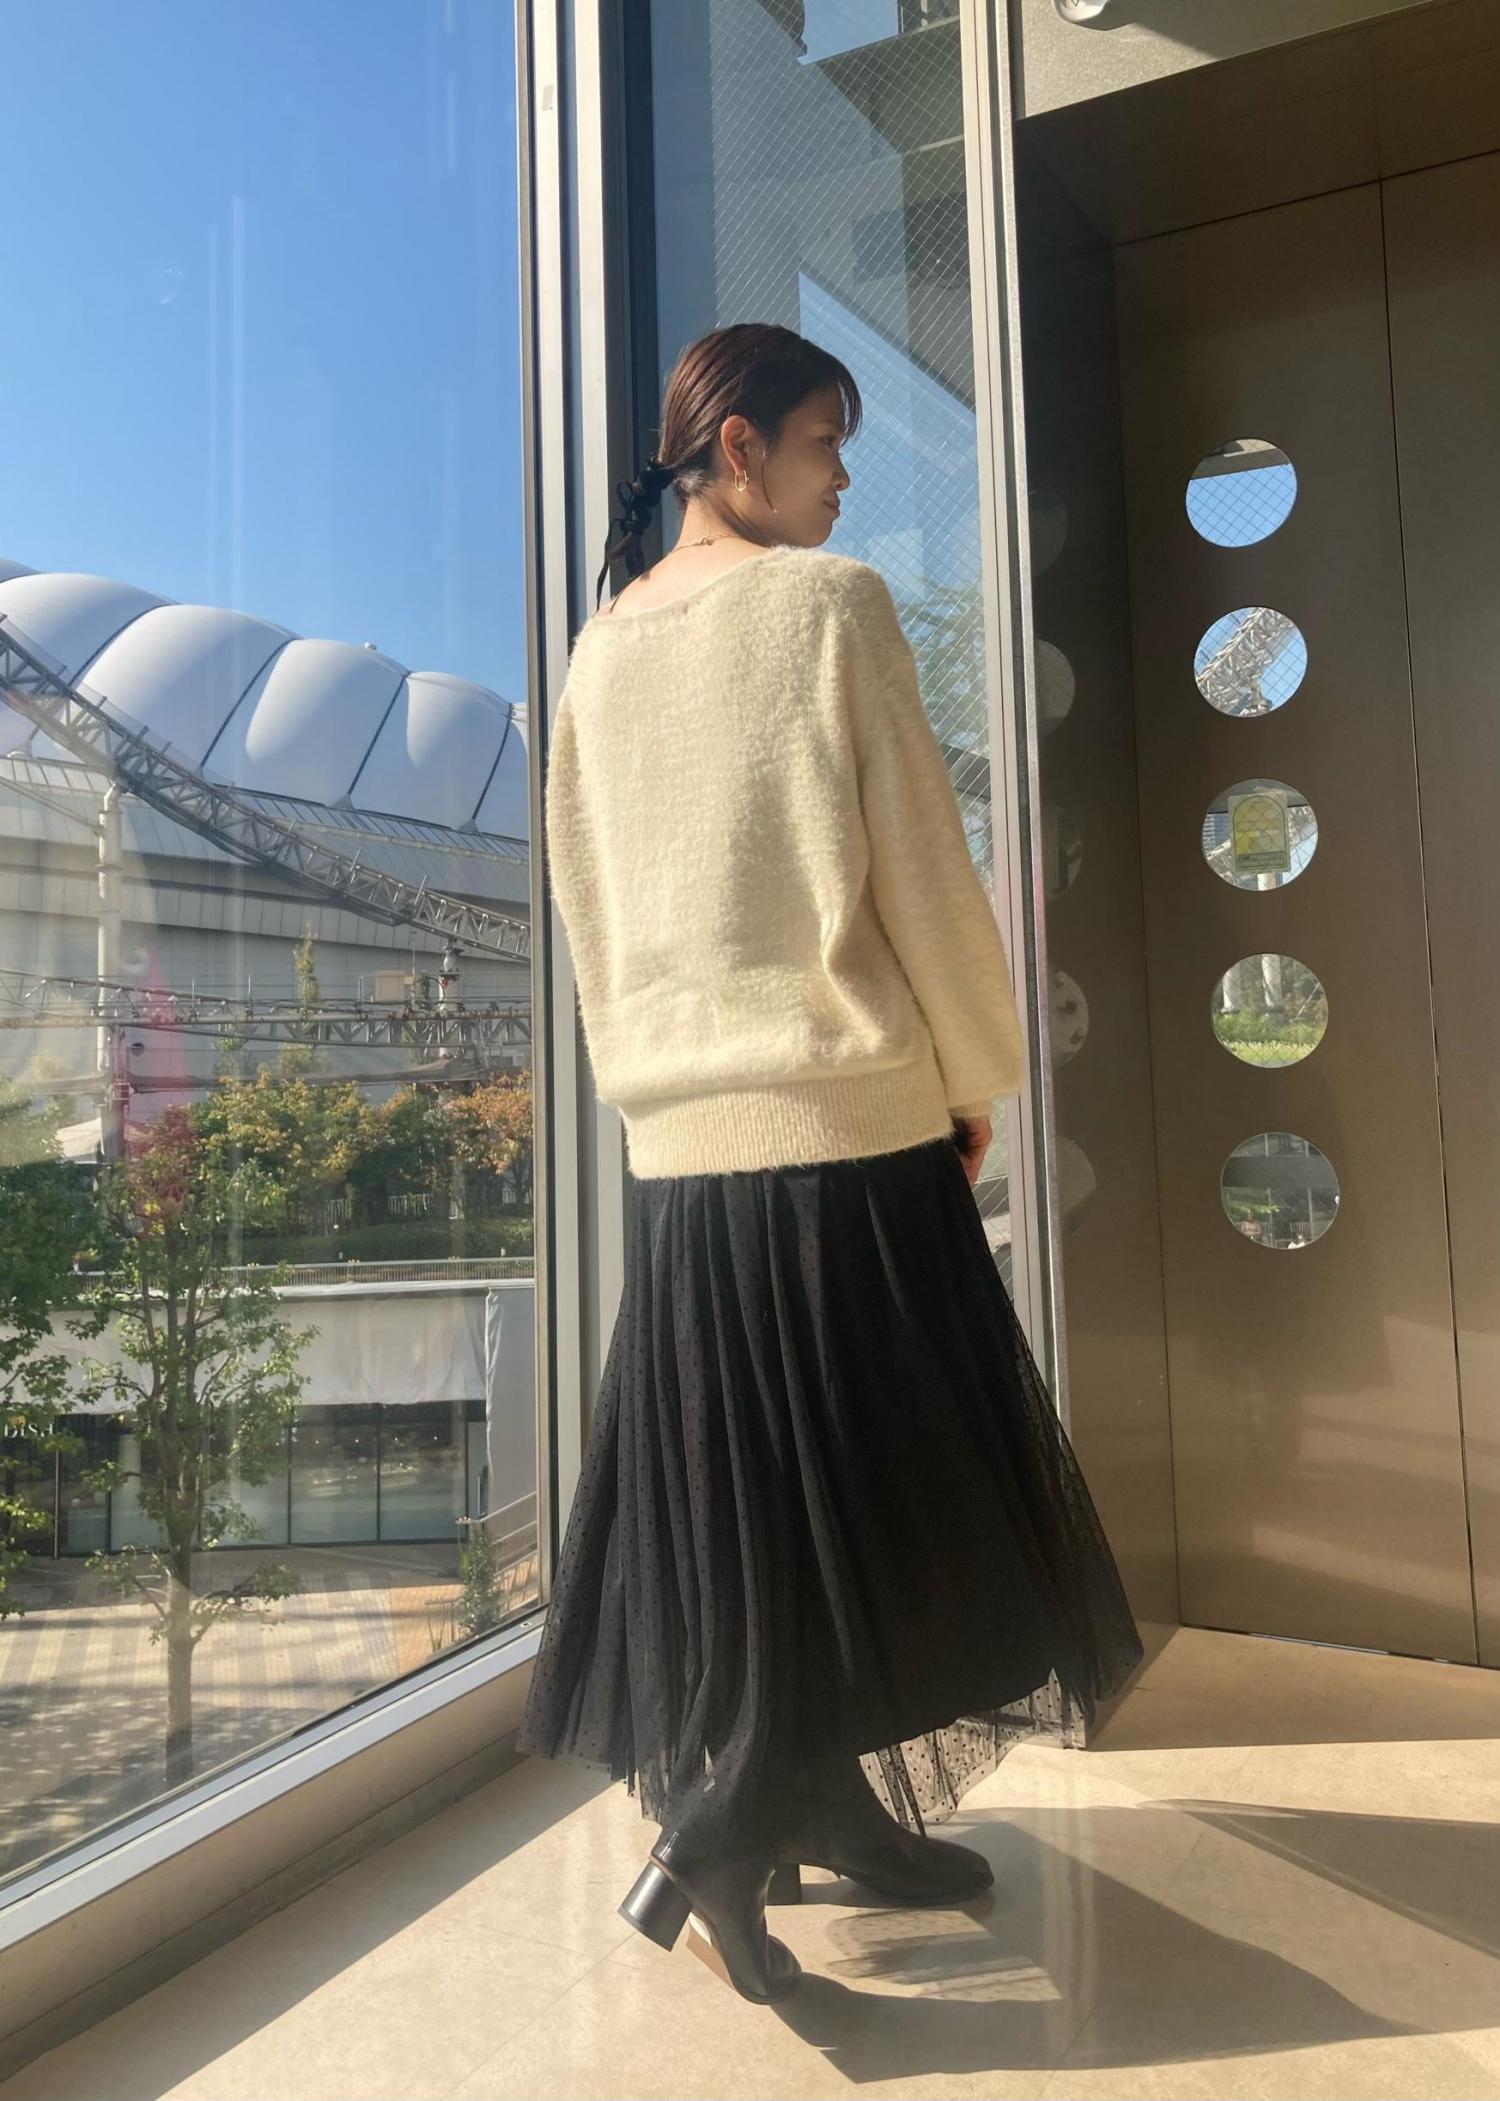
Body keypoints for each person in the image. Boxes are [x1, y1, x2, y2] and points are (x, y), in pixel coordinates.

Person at [514, 321, 1143, 2004]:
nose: (844, 478)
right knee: (892, 1492)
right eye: (822, 443)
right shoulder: (828, 606)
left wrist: (651, 1097)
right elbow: (918, 860)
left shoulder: (594, 659)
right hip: (844, 1122)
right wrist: (973, 1068)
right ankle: (725, 1826)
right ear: (736, 451)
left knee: (783, 1517)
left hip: (688, 1160)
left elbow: (588, 913)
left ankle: (828, 1808)